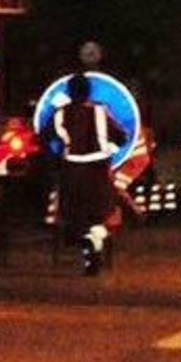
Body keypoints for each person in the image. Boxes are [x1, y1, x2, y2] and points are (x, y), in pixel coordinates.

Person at [49, 72, 128, 275]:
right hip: (98, 172)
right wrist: (110, 148)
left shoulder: (59, 114)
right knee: (100, 215)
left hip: (72, 172)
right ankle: (96, 245)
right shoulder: (101, 112)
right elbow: (121, 136)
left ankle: (89, 250)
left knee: (76, 218)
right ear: (89, 92)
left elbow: (44, 137)